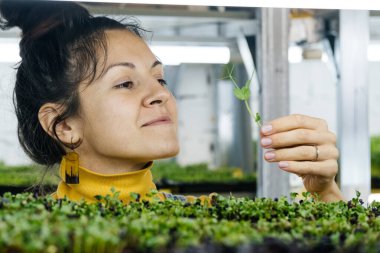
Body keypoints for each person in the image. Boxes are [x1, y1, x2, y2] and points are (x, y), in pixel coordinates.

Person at [0, 0, 344, 203]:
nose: (162, 94)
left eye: (160, 78)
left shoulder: (210, 217)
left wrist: (324, 192)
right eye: (125, 83)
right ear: (63, 125)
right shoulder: (24, 236)